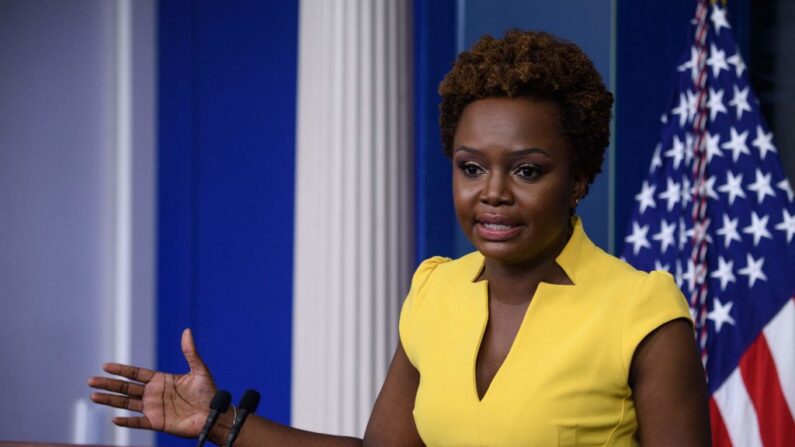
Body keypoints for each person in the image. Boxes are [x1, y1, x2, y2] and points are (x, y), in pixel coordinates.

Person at [89, 30, 711, 446]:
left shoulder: (641, 311)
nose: (492, 192)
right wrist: (219, 422)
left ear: (578, 178)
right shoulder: (435, 290)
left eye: (527, 170)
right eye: (470, 167)